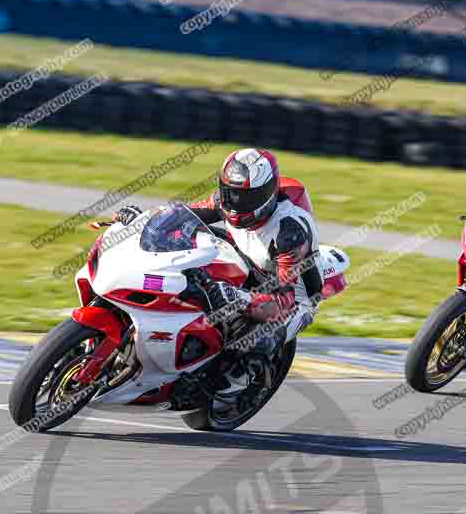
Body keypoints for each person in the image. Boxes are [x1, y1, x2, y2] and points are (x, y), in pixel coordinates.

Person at [113, 148, 324, 359]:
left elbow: (282, 304)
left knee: (252, 341)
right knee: (188, 254)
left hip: (292, 296)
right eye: (230, 193)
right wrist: (144, 219)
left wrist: (238, 297)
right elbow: (183, 214)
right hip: (249, 261)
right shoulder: (227, 201)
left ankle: (228, 387)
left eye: (246, 198)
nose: (235, 203)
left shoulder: (289, 233)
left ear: (268, 194)